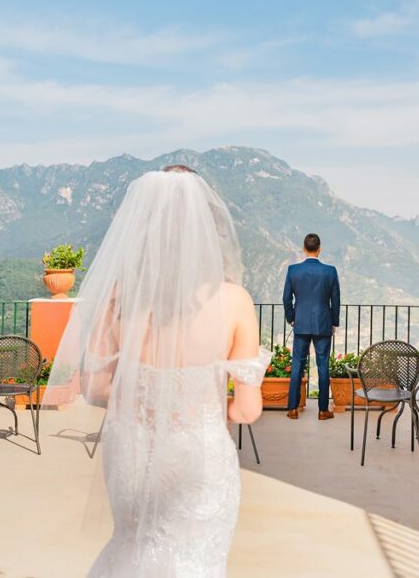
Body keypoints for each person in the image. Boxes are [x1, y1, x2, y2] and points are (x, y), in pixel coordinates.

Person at [45, 164, 269, 577]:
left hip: (132, 452)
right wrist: (201, 406)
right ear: (208, 227)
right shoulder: (235, 301)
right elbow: (247, 410)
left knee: (131, 549)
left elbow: (94, 390)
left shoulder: (119, 297)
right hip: (197, 457)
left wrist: (145, 394)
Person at [282, 233, 340, 420]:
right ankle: (323, 410)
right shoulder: (330, 271)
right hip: (323, 323)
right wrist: (334, 322)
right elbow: (336, 300)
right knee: (323, 365)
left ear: (304, 249)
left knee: (297, 364)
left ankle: (292, 409)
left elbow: (286, 299)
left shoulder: (293, 270)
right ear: (319, 249)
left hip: (301, 323)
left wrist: (292, 318)